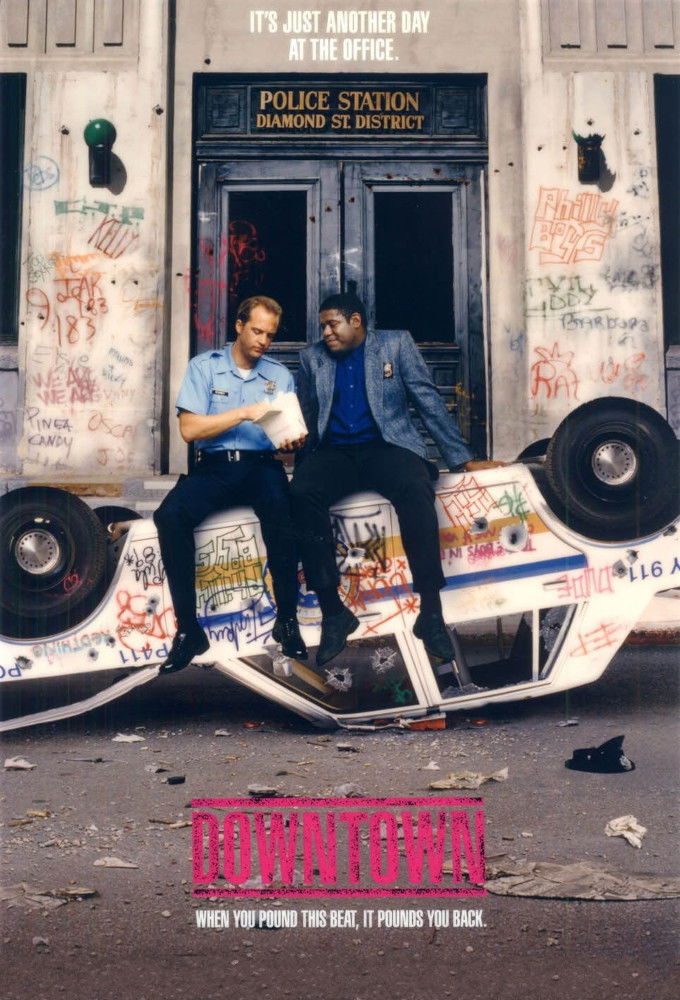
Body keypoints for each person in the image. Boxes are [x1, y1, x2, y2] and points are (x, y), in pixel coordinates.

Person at [290, 291, 502, 667]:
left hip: (386, 447)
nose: (326, 333)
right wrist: (299, 467)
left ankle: (431, 613)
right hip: (334, 454)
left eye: (332, 324)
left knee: (415, 487)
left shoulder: (396, 344)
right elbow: (307, 415)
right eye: (323, 326)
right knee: (302, 493)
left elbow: (427, 400)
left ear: (356, 321)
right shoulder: (312, 359)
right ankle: (333, 613)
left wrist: (462, 459)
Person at [154, 295, 307, 673]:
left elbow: (286, 438)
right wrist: (242, 413)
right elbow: (189, 430)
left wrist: (292, 443)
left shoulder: (280, 375)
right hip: (216, 468)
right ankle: (188, 630)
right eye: (257, 331)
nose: (263, 341)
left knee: (284, 512)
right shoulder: (204, 367)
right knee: (169, 516)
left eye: (270, 335)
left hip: (262, 467)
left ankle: (287, 621)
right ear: (239, 326)